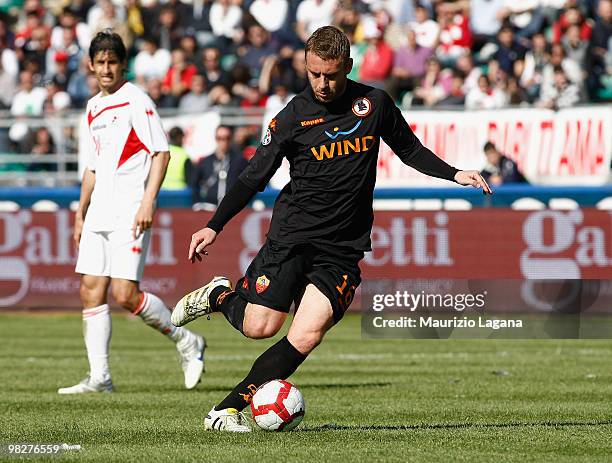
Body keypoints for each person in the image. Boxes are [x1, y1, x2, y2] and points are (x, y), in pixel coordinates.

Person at [171, 26, 491, 432]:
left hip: (342, 247)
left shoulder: (374, 104)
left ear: (349, 67)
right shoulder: (292, 117)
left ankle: (226, 410)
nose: (323, 84)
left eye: (332, 75)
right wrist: (213, 226)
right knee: (260, 327)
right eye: (314, 74)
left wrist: (456, 173)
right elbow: (253, 177)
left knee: (305, 335)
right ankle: (219, 296)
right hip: (293, 237)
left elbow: (409, 150)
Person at [58, 30, 205, 395]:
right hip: (98, 214)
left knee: (125, 294)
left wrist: (148, 201)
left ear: (123, 64)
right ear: (91, 65)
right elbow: (91, 168)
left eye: (113, 62)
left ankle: (187, 340)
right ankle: (100, 378)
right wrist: (80, 213)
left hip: (129, 211)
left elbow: (161, 152)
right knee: (90, 290)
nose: (106, 69)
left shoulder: (136, 100)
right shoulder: (92, 108)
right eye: (101, 63)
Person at [189, 125, 247, 206]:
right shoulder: (205, 162)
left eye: (227, 138)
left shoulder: (240, 161)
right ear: (216, 139)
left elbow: (248, 184)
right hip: (209, 206)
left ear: (231, 139)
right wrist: (196, 203)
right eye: (220, 138)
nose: (223, 142)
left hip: (232, 208)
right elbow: (194, 184)